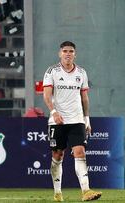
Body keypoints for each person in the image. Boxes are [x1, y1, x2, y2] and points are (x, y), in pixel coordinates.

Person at [42, 41, 102, 202]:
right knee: (58, 154)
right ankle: (57, 192)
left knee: (80, 152)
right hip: (58, 121)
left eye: (71, 51)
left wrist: (87, 118)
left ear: (75, 54)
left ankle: (86, 190)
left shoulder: (81, 72)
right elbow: (46, 95)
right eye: (65, 51)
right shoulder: (51, 72)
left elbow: (84, 98)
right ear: (60, 53)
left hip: (77, 120)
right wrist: (54, 112)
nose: (68, 54)